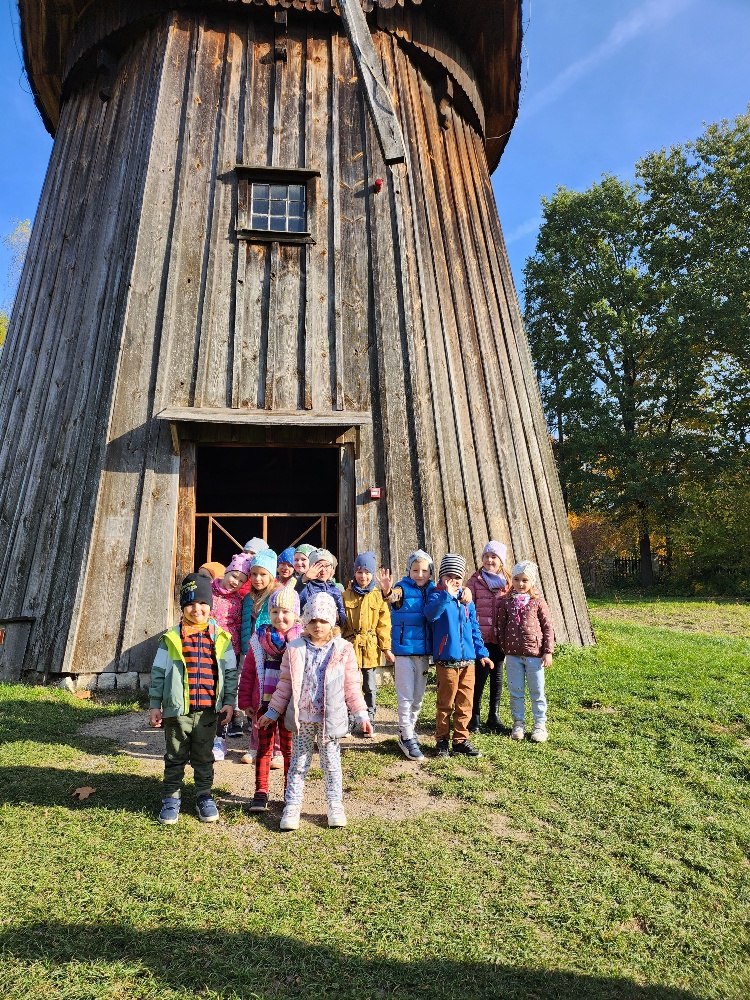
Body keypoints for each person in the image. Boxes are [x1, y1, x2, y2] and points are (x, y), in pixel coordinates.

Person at [260, 592, 372, 830]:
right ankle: (292, 806)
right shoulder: (295, 648)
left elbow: (352, 685)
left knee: (331, 764)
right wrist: (273, 711)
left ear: (332, 621)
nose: (318, 625)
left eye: (323, 620)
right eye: (312, 620)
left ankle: (335, 805)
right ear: (305, 621)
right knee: (298, 764)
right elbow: (285, 684)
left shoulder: (343, 649)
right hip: (303, 719)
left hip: (329, 720)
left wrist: (361, 713)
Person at [149, 573, 237, 825]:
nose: (196, 609)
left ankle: (204, 795)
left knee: (204, 756)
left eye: (202, 603)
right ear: (182, 607)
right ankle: (171, 797)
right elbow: (158, 673)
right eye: (190, 603)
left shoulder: (221, 639)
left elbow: (230, 672)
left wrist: (229, 701)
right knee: (175, 755)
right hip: (177, 711)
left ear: (210, 605)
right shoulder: (171, 638)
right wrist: (155, 704)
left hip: (209, 711)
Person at [237, 580, 301, 812]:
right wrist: (245, 701)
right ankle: (260, 792)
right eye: (274, 611)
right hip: (263, 705)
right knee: (263, 749)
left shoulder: (300, 643)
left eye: (285, 612)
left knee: (289, 751)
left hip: (290, 707)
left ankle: (289, 792)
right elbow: (248, 673)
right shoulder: (259, 640)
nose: (279, 617)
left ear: (295, 615)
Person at [425, 554, 493, 758]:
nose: (453, 581)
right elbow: (430, 614)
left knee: (465, 703)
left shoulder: (466, 600)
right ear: (441, 577)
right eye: (449, 577)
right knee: (445, 703)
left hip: (468, 662)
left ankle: (461, 740)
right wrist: (446, 595)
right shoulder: (436, 596)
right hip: (446, 661)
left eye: (457, 577)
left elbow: (474, 628)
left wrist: (482, 653)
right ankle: (442, 740)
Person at [378, 549, 436, 761]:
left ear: (430, 572)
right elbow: (392, 597)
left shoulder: (433, 589)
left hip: (424, 653)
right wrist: (387, 590)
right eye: (415, 570)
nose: (420, 574)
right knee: (405, 696)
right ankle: (407, 735)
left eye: (424, 570)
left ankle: (408, 731)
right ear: (408, 571)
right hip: (404, 651)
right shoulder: (402, 588)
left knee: (418, 697)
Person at [496, 561, 554, 743]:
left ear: (532, 582)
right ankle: (518, 723)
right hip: (513, 655)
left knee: (537, 691)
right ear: (511, 580)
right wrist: (504, 648)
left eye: (525, 580)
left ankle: (539, 725)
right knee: (516, 691)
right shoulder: (506, 603)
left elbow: (547, 627)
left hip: (534, 656)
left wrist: (548, 651)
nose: (520, 584)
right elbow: (501, 626)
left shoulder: (538, 602)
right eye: (516, 579)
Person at [341, 551, 394, 734]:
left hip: (370, 647)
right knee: (350, 685)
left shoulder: (379, 596)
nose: (363, 576)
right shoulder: (346, 595)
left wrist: (386, 648)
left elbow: (383, 625)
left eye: (367, 572)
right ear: (354, 573)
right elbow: (341, 623)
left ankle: (369, 718)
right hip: (350, 647)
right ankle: (349, 719)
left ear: (372, 574)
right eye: (359, 572)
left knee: (370, 686)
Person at [238, 549, 281, 754]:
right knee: (256, 696)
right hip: (253, 652)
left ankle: (277, 748)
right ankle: (256, 744)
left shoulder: (277, 595)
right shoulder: (248, 598)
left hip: (273, 653)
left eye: (263, 574)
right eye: (254, 574)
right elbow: (244, 624)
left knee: (274, 697)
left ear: (271, 575)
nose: (257, 578)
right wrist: (244, 648)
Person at [466, 541, 510, 733]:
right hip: (480, 639)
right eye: (486, 556)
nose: (489, 560)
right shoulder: (475, 581)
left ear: (501, 561)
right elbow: (467, 606)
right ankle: (474, 717)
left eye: (494, 557)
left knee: (497, 678)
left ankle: (494, 716)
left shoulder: (508, 583)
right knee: (479, 678)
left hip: (499, 639)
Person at [296, 548, 347, 627]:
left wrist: (338, 618)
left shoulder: (335, 590)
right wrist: (305, 578)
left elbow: (342, 616)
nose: (323, 570)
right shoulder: (305, 587)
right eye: (319, 566)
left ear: (332, 568)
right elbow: (293, 597)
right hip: (308, 631)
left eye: (327, 566)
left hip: (330, 631)